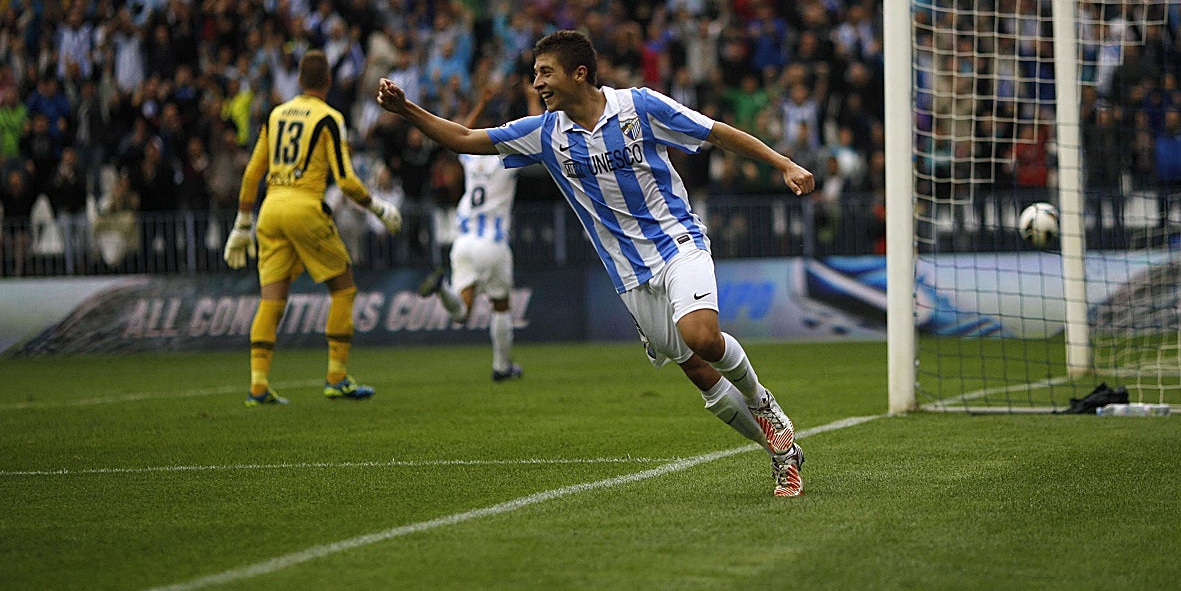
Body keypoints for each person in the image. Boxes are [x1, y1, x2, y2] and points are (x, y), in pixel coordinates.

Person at [377, 29, 815, 498]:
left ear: (578, 74)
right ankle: (781, 455)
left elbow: (713, 132)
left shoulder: (639, 108)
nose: (537, 83)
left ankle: (763, 404)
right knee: (700, 375)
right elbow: (464, 138)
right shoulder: (546, 134)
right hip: (628, 274)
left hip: (677, 242)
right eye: (534, 73)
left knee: (702, 336)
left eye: (545, 73)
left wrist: (783, 162)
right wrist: (407, 109)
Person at [225, 49, 403, 406]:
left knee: (271, 299)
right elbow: (346, 180)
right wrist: (379, 207)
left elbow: (251, 174)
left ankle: (258, 386)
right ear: (328, 81)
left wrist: (242, 223)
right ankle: (336, 377)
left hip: (271, 209)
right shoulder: (329, 116)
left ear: (299, 81)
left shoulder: (276, 115)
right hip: (304, 205)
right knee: (343, 287)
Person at [417, 83, 538, 382]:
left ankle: (442, 288)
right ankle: (501, 367)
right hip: (492, 243)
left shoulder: (471, 159)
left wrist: (481, 104)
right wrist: (533, 100)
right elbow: (538, 135)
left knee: (460, 313)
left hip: (463, 241)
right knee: (501, 306)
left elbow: (458, 135)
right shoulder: (507, 158)